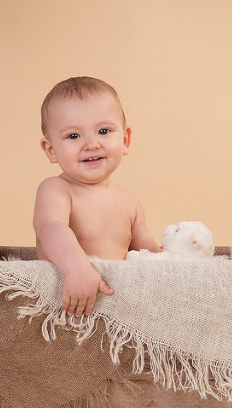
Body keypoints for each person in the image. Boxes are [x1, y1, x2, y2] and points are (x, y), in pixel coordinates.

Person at [33, 77, 160, 318]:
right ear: (51, 150)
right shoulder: (57, 189)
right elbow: (51, 228)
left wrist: (175, 257)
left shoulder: (129, 201)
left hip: (121, 311)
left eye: (103, 131)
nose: (92, 144)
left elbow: (148, 255)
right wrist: (76, 268)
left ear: (124, 140)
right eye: (73, 136)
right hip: (69, 310)